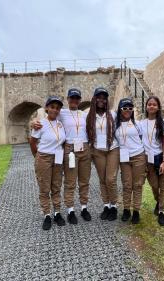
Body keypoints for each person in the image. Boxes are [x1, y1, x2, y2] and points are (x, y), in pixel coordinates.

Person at [31, 88, 92, 224]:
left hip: (82, 148)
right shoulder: (61, 113)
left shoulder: (84, 114)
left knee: (83, 181)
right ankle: (70, 210)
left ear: (80, 100)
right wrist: (33, 122)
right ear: (68, 99)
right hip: (69, 149)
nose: (74, 100)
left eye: (77, 98)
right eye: (72, 98)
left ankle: (83, 207)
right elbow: (45, 119)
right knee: (69, 182)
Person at [28, 96, 67, 230]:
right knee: (44, 188)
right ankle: (47, 215)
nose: (55, 110)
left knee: (56, 186)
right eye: (52, 107)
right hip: (44, 157)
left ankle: (57, 212)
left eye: (57, 108)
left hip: (58, 158)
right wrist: (37, 156)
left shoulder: (60, 123)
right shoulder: (40, 124)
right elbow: (32, 142)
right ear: (47, 108)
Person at [86, 87, 120, 221]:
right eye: (98, 97)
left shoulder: (113, 114)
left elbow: (128, 122)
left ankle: (114, 206)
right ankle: (106, 205)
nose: (101, 100)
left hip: (112, 149)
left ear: (107, 100)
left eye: (104, 98)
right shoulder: (88, 116)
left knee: (110, 179)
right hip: (97, 150)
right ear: (94, 99)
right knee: (102, 179)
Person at [115, 98, 146, 224]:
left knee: (137, 185)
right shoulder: (115, 125)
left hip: (138, 156)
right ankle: (126, 209)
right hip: (124, 158)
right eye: (125, 108)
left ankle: (136, 211)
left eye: (130, 108)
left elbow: (144, 139)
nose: (128, 110)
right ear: (120, 110)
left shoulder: (138, 124)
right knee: (127, 184)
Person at [140, 96, 164, 226]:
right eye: (149, 104)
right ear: (146, 106)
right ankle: (158, 201)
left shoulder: (162, 122)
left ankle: (161, 211)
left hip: (161, 157)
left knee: (163, 185)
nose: (151, 106)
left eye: (154, 104)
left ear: (158, 107)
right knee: (154, 185)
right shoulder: (141, 123)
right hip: (149, 160)